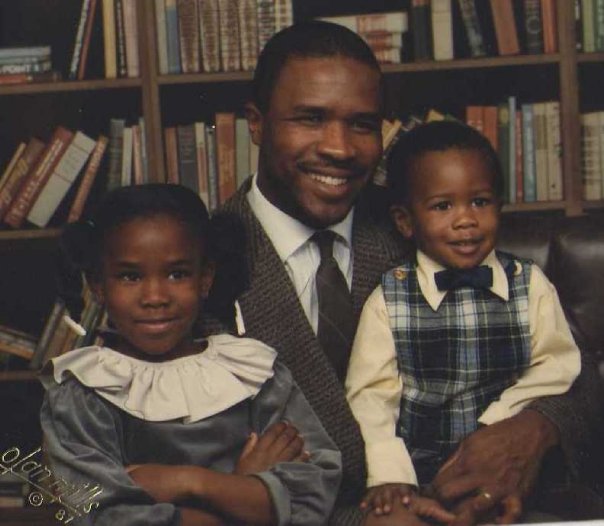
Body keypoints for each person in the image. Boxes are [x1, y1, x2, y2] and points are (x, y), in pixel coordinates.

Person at [215, 20, 604, 526]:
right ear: (256, 123)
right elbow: (111, 487)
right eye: (311, 118)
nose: (339, 148)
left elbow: (573, 369)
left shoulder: (428, 219)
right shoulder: (190, 263)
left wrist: (532, 428)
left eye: (362, 124)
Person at [39, 184, 341, 525]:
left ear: (205, 278)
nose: (155, 297)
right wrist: (243, 492)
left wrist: (190, 482)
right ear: (98, 286)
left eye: (177, 274)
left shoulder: (255, 373)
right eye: (130, 276)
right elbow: (103, 517)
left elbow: (312, 494)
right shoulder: (83, 394)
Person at [345, 120, 582, 523]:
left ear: (499, 206)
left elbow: (557, 366)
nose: (465, 220)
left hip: (511, 474)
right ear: (405, 221)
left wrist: (499, 421)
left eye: (480, 202)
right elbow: (372, 396)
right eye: (443, 206)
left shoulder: (530, 285)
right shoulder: (389, 298)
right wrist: (390, 474)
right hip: (424, 479)